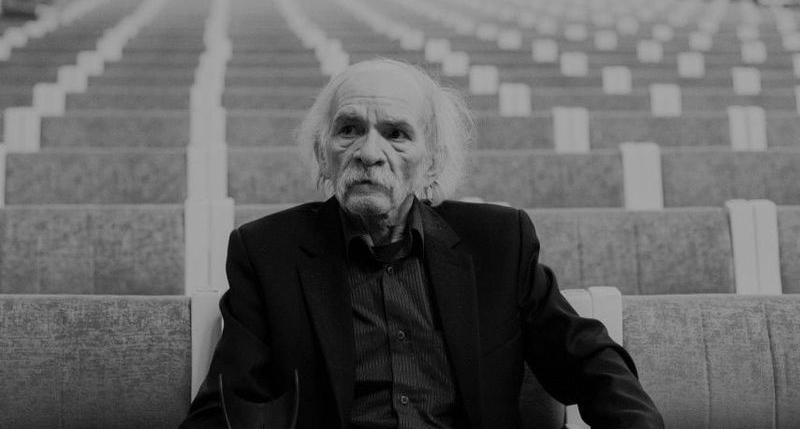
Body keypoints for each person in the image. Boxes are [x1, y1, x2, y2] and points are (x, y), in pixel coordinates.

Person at [180, 58, 664, 428]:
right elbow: (225, 407)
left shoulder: (498, 243)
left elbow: (590, 361)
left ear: (432, 162)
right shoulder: (267, 253)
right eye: (349, 130)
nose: (369, 153)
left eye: (396, 134)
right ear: (322, 154)